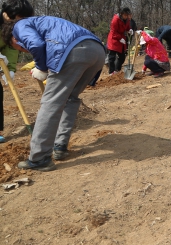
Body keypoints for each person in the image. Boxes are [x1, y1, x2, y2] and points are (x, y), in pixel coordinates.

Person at [4, 15, 105, 171]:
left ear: (14, 40)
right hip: (97, 51)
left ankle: (39, 158)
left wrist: (41, 67)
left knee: (51, 102)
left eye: (19, 48)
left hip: (74, 51)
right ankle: (60, 146)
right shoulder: (43, 22)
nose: (23, 50)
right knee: (70, 98)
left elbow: (36, 44)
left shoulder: (19, 27)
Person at [0, 0, 35, 143]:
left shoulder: (14, 26)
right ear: (7, 14)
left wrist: (11, 69)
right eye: (18, 19)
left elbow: (11, 47)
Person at [106, 7, 132, 75]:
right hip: (114, 39)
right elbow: (113, 31)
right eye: (125, 15)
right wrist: (119, 38)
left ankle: (117, 70)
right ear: (121, 14)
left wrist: (129, 30)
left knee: (122, 57)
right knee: (112, 57)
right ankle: (111, 72)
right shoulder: (115, 19)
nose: (126, 17)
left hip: (121, 40)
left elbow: (127, 27)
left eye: (127, 15)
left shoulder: (127, 20)